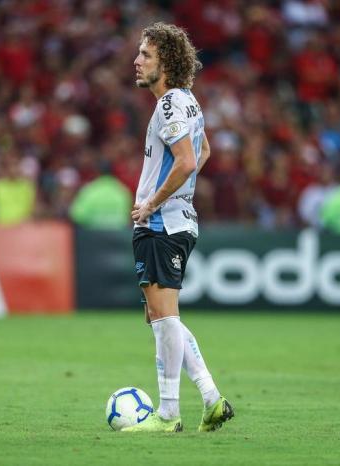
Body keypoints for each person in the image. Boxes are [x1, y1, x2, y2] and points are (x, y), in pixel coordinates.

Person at [122, 22, 234, 433]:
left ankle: (168, 415)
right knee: (160, 317)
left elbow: (188, 160)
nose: (136, 61)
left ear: (166, 62)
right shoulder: (189, 102)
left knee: (165, 319)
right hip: (178, 222)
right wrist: (180, 192)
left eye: (145, 55)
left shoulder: (168, 104)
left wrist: (153, 201)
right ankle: (211, 399)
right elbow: (203, 150)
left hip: (161, 224)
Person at [69, 164, 132, 229]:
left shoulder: (90, 190)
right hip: (118, 235)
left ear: (97, 173)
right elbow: (127, 217)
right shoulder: (122, 191)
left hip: (94, 235)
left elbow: (77, 215)